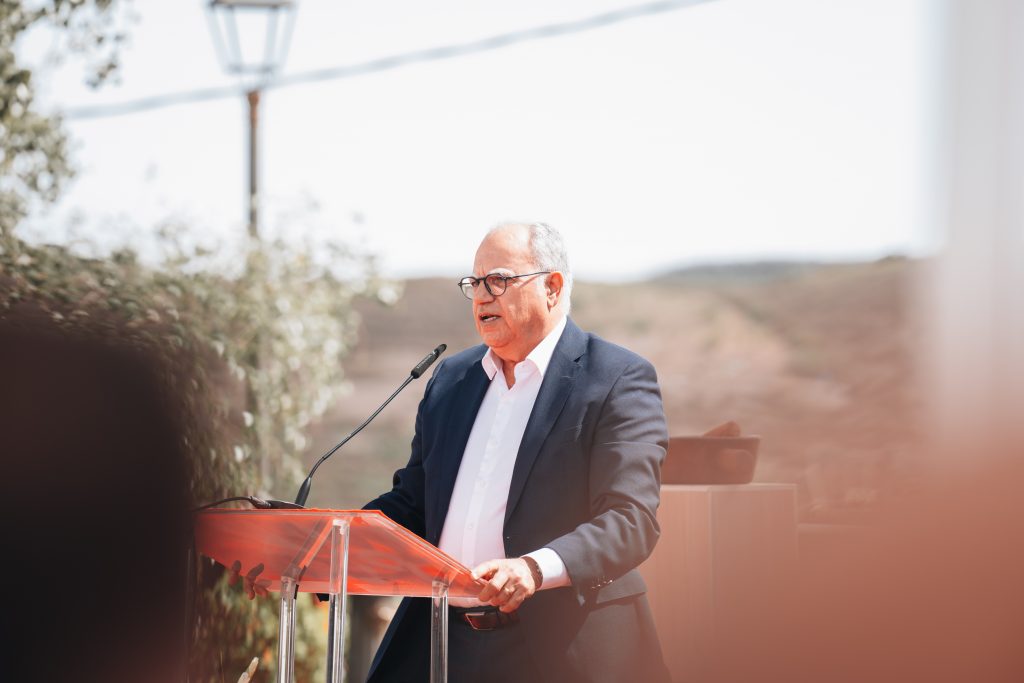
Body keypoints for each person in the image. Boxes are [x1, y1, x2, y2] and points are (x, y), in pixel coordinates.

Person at [364, 222, 671, 682]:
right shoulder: (452, 380)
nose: (482, 296)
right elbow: (413, 504)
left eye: (499, 281)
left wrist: (534, 568)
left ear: (552, 286)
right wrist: (315, 548)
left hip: (558, 647)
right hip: (442, 644)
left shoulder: (616, 379)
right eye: (475, 284)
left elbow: (630, 520)